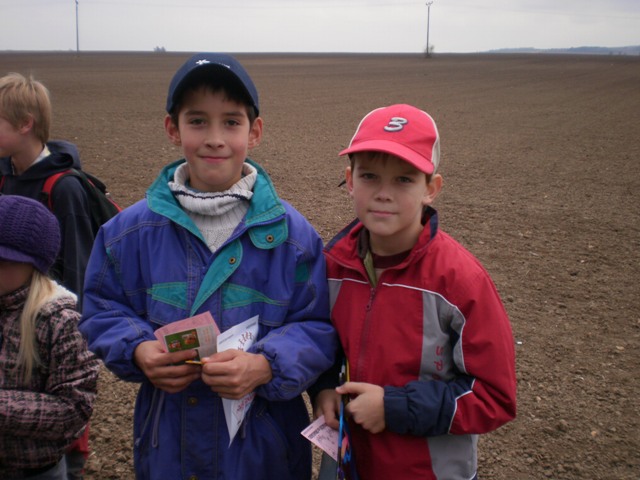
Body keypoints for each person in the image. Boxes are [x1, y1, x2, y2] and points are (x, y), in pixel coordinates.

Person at [78, 52, 338, 480]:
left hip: (262, 455)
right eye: (197, 121)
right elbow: (101, 308)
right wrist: (139, 349)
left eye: (231, 122)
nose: (215, 138)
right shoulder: (128, 233)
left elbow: (317, 326)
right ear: (172, 129)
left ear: (254, 132)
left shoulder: (293, 238)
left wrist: (266, 365)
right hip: (168, 450)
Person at [315, 104, 517, 479]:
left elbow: (494, 396)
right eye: (370, 176)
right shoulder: (332, 267)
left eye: (404, 179)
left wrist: (393, 407)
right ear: (350, 180)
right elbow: (324, 344)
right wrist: (324, 388)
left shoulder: (461, 283)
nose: (384, 194)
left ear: (431, 189)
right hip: (351, 465)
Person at [0, 72, 95, 479]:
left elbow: (79, 269)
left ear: (25, 124)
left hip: (47, 323)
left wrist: (72, 334)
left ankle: (69, 465)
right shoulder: (3, 176)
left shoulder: (64, 188)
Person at [0, 195, 100, 480]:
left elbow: (74, 410)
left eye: (3, 260)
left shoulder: (60, 321)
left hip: (34, 471)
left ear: (34, 265)